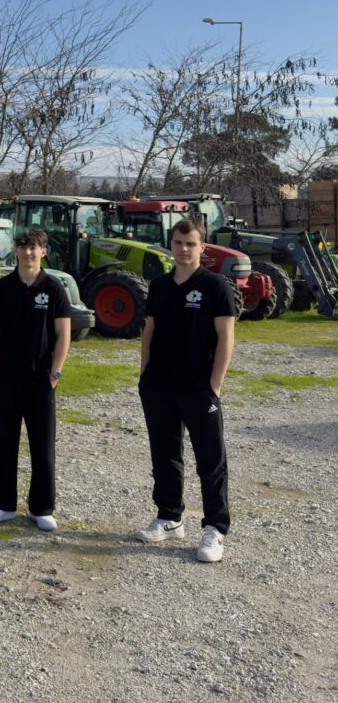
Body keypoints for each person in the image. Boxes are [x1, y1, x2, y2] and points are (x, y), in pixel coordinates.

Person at [136, 218, 235, 563]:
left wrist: (215, 385)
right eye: (178, 243)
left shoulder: (215, 286)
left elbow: (226, 338)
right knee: (165, 454)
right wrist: (144, 374)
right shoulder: (160, 285)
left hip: (198, 388)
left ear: (202, 247)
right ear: (171, 245)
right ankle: (169, 517)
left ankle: (215, 528)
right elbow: (150, 330)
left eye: (190, 244)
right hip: (159, 386)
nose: (183, 249)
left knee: (210, 460)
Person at [0, 227, 71, 531]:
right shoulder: (2, 288)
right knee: (1, 443)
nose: (28, 252)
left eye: (34, 247)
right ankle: (2, 504)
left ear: (43, 251)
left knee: (42, 445)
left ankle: (41, 507)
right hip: (5, 377)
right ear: (15, 251)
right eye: (23, 247)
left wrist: (55, 372)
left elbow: (63, 335)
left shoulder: (54, 289)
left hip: (40, 381)